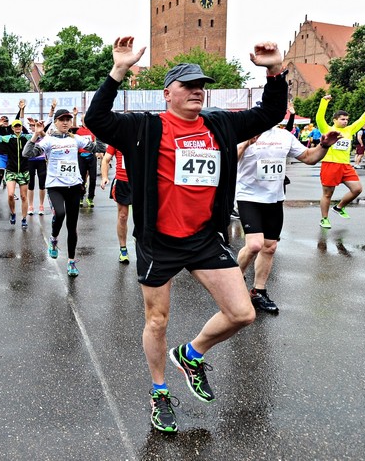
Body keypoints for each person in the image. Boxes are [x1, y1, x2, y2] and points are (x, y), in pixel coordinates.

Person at [85, 36, 287, 433]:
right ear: (167, 94)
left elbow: (271, 112)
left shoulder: (220, 123)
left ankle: (192, 354)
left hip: (204, 238)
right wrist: (119, 71)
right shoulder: (144, 126)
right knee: (157, 321)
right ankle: (159, 392)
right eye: (188, 84)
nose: (198, 90)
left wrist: (275, 70)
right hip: (160, 239)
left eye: (202, 85)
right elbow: (97, 119)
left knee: (243, 313)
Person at [236, 125, 340, 314]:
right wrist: (245, 143)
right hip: (248, 197)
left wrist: (324, 145)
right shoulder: (242, 130)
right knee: (254, 245)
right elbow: (227, 162)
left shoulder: (284, 135)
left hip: (274, 198)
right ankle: (235, 280)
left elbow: (309, 157)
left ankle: (258, 292)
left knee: (270, 247)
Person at [23, 109, 104, 277]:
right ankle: (53, 239)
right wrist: (35, 135)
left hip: (74, 186)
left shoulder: (76, 139)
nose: (65, 122)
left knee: (72, 226)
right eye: (62, 120)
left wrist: (99, 130)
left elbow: (98, 148)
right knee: (59, 213)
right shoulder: (48, 140)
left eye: (68, 119)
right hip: (55, 186)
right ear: (55, 122)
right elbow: (27, 153)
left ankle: (71, 262)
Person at [315, 93, 365, 229]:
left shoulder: (350, 130)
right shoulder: (327, 129)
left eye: (347, 119)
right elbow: (319, 118)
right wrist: (324, 102)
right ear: (335, 120)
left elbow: (362, 119)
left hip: (345, 165)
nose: (345, 122)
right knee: (327, 194)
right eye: (342, 119)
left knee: (357, 189)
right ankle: (324, 219)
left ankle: (339, 207)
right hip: (330, 164)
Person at [0, 117, 33, 228]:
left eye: (19, 126)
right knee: (10, 195)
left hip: (24, 171)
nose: (18, 128)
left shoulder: (27, 137)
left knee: (24, 196)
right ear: (12, 128)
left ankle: (24, 219)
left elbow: (41, 136)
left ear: (21, 127)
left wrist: (37, 128)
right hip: (11, 170)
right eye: (15, 126)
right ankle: (13, 213)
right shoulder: (8, 138)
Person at [100, 144, 132, 264]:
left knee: (142, 219)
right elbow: (106, 159)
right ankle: (123, 250)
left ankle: (141, 246)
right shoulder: (117, 137)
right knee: (122, 216)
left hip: (139, 182)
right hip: (122, 182)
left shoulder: (143, 135)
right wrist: (104, 177)